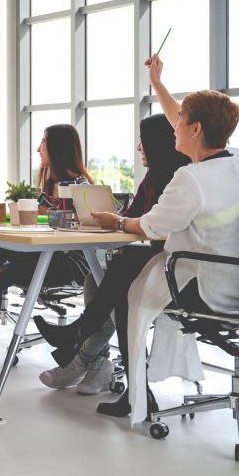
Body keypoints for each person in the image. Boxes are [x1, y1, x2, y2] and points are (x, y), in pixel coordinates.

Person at [35, 54, 239, 424]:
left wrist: (116, 219)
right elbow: (188, 118)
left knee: (131, 272)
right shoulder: (238, 161)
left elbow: (151, 227)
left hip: (211, 289)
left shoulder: (190, 180)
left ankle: (103, 356)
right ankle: (103, 356)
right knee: (131, 270)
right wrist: (158, 84)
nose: (173, 124)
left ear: (194, 130)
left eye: (179, 121)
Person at [36, 113, 190, 395]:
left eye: (143, 141)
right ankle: (90, 354)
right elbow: (133, 217)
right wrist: (113, 218)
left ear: (157, 143)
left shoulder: (179, 181)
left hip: (176, 268)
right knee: (96, 280)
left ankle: (80, 351)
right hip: (155, 260)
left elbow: (154, 225)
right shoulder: (152, 178)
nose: (139, 147)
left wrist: (120, 222)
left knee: (118, 283)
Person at [0, 124, 93, 370]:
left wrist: (41, 213)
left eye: (43, 142)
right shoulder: (51, 184)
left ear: (58, 148)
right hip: (44, 256)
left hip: (67, 263)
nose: (39, 149)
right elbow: (39, 219)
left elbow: (65, 229)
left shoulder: (78, 186)